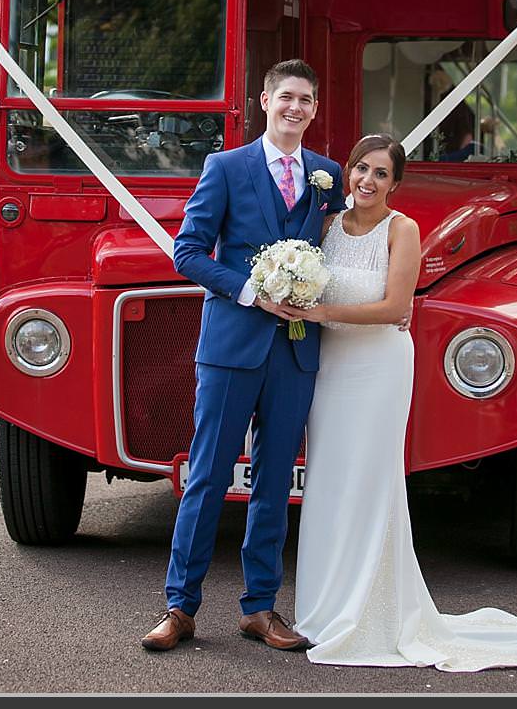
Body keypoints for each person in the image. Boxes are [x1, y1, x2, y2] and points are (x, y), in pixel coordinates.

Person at [289, 136, 517, 669]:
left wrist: (317, 313)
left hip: (378, 367)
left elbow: (396, 307)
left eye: (380, 174)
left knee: (373, 480)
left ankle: (369, 612)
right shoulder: (327, 227)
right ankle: (322, 609)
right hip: (331, 368)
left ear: (395, 184)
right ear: (347, 172)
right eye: (361, 170)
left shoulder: (402, 230)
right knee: (330, 477)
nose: (367, 182)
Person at [144, 59, 341, 653]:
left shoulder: (328, 175)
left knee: (276, 481)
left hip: (296, 352)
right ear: (264, 100)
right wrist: (253, 290)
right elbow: (188, 251)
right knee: (205, 478)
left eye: (306, 99)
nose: (295, 108)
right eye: (286, 96)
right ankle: (180, 606)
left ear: (314, 108)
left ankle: (260, 608)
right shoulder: (226, 168)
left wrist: (311, 292)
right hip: (232, 346)